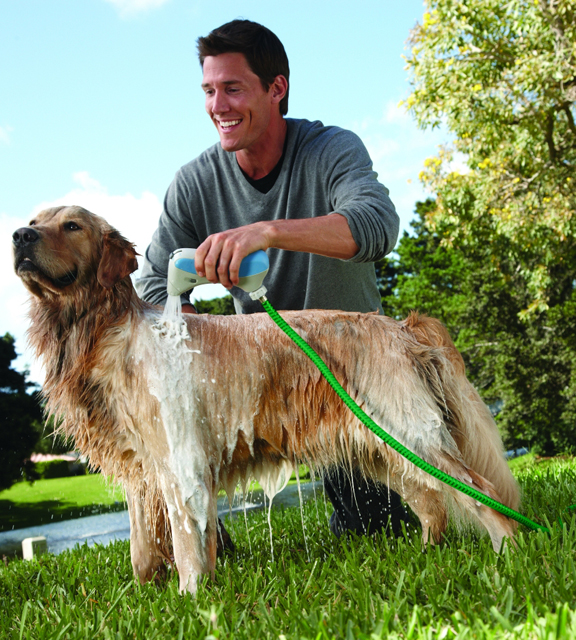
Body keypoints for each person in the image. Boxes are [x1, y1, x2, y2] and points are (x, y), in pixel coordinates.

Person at [135, 19, 410, 541]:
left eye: (233, 88)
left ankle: (362, 509)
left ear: (276, 88)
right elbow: (151, 285)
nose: (218, 105)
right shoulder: (194, 183)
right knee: (172, 464)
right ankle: (206, 549)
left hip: (346, 377)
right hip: (254, 381)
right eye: (209, 91)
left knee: (376, 527)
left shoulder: (331, 149)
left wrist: (267, 233)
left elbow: (377, 225)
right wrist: (209, 347)